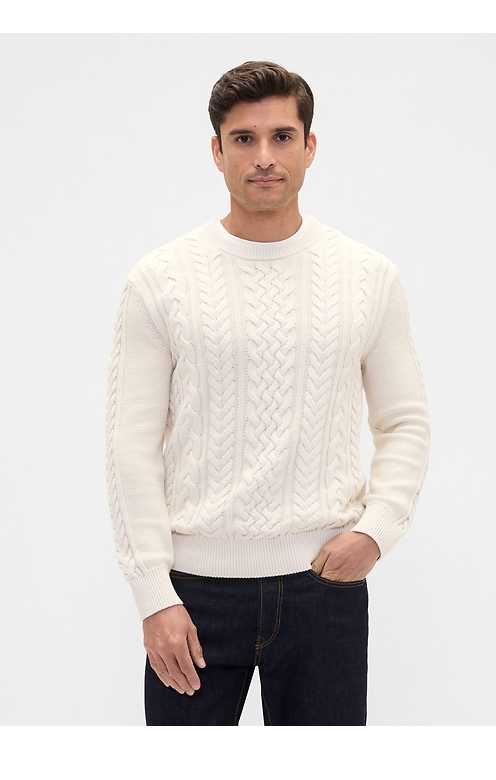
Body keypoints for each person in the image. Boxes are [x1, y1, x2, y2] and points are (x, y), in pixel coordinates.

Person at [105, 60, 430, 726]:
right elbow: (129, 447)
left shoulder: (368, 277)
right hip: (193, 597)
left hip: (324, 590)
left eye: (282, 137)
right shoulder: (160, 280)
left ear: (310, 147)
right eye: (244, 139)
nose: (263, 157)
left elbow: (404, 421)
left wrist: (375, 530)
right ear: (216, 150)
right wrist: (153, 593)